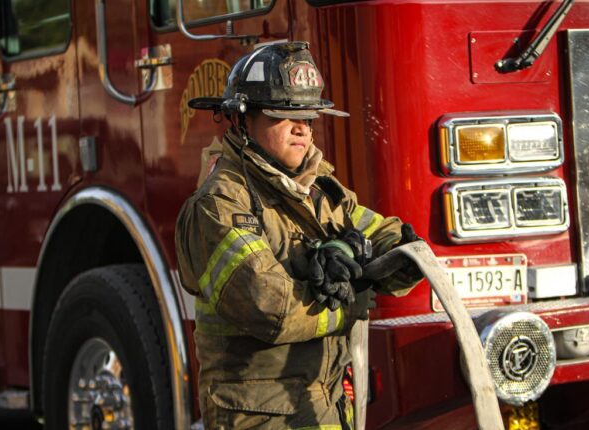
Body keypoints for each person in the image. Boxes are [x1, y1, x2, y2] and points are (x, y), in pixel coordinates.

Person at [175, 41, 423, 429]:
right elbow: (273, 311)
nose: (302, 128)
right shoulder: (220, 205)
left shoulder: (319, 190)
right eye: (284, 114)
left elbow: (378, 234)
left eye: (308, 116)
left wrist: (404, 257)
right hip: (260, 418)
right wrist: (357, 294)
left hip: (322, 409)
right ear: (243, 119)